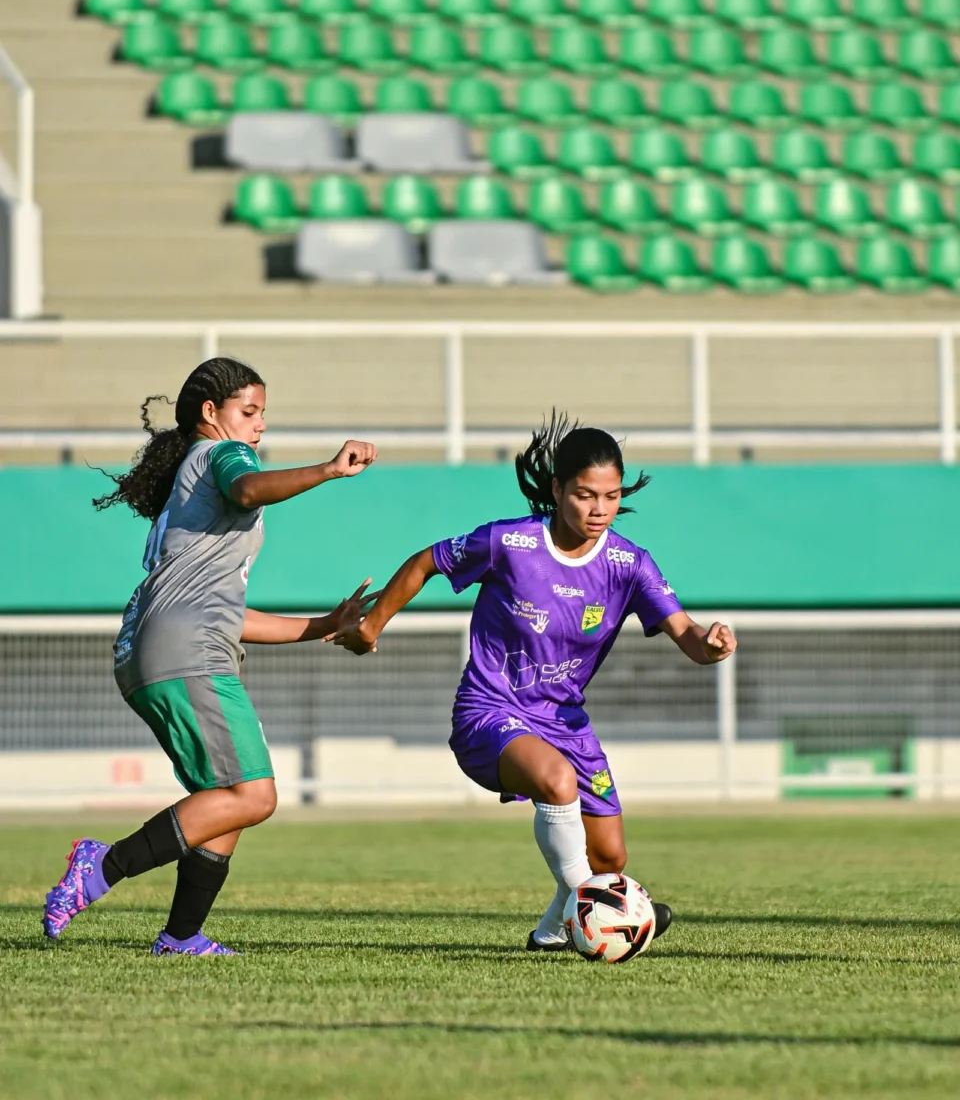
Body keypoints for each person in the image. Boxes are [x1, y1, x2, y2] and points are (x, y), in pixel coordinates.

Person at [335, 413, 737, 951]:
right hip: (488, 712)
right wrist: (371, 625)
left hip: (565, 722)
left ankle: (552, 932)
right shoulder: (510, 542)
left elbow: (685, 633)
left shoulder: (629, 564)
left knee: (610, 859)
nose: (599, 509)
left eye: (611, 496)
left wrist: (711, 645)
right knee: (556, 780)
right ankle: (591, 911)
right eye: (585, 495)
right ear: (556, 489)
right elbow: (426, 561)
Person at [42, 357, 378, 956]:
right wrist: (329, 469)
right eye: (249, 411)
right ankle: (102, 865)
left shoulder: (189, 489)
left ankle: (181, 936)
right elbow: (249, 487)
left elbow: (228, 615)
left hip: (153, 651)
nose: (259, 425)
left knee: (224, 799)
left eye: (263, 414)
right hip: (186, 652)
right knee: (254, 794)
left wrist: (324, 626)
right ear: (210, 412)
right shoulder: (224, 455)